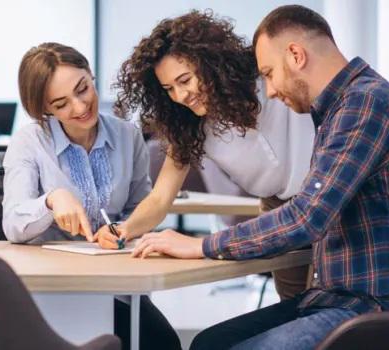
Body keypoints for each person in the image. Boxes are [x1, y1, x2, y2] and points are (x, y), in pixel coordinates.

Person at [130, 5, 389, 350]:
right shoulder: (339, 108)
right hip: (339, 297)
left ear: (296, 55)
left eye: (267, 73)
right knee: (210, 342)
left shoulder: (364, 105)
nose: (267, 91)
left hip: (379, 307)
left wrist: (200, 245)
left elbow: (307, 217)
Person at [104, 10, 315, 301]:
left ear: (210, 63)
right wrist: (124, 229)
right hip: (276, 211)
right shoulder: (191, 126)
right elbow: (160, 198)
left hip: (326, 197)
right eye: (169, 89)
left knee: (334, 308)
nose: (180, 96)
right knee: (296, 309)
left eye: (185, 80)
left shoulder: (267, 79)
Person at [2, 42, 181, 350]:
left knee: (162, 344)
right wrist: (52, 200)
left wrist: (124, 230)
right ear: (45, 109)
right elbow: (13, 224)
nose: (80, 107)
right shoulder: (29, 142)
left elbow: (140, 206)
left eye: (82, 88)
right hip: (51, 289)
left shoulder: (128, 134)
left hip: (115, 284)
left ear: (90, 74)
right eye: (61, 104)